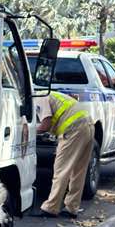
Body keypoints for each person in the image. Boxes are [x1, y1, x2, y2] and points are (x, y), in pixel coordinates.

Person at [34, 90, 92, 219]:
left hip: (73, 129)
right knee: (78, 171)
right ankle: (72, 208)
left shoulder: (39, 98)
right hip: (88, 125)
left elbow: (45, 125)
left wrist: (29, 130)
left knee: (61, 170)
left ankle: (51, 208)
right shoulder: (50, 94)